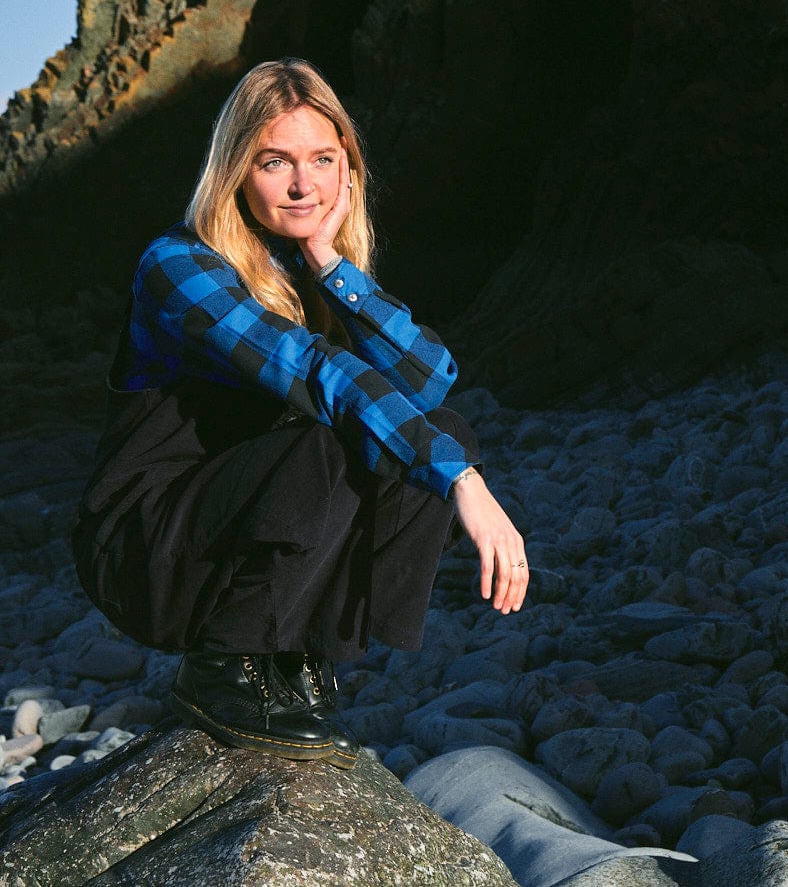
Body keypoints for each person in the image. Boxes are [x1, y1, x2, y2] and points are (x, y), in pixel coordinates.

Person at [72, 58, 527, 769]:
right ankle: (223, 666)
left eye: (322, 158)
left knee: (440, 430)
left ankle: (296, 658)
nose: (301, 184)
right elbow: (316, 373)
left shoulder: (306, 266)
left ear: (348, 168)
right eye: (273, 161)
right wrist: (464, 483)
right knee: (345, 438)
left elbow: (429, 378)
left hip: (226, 523)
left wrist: (331, 263)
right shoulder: (179, 266)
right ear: (234, 171)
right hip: (148, 544)